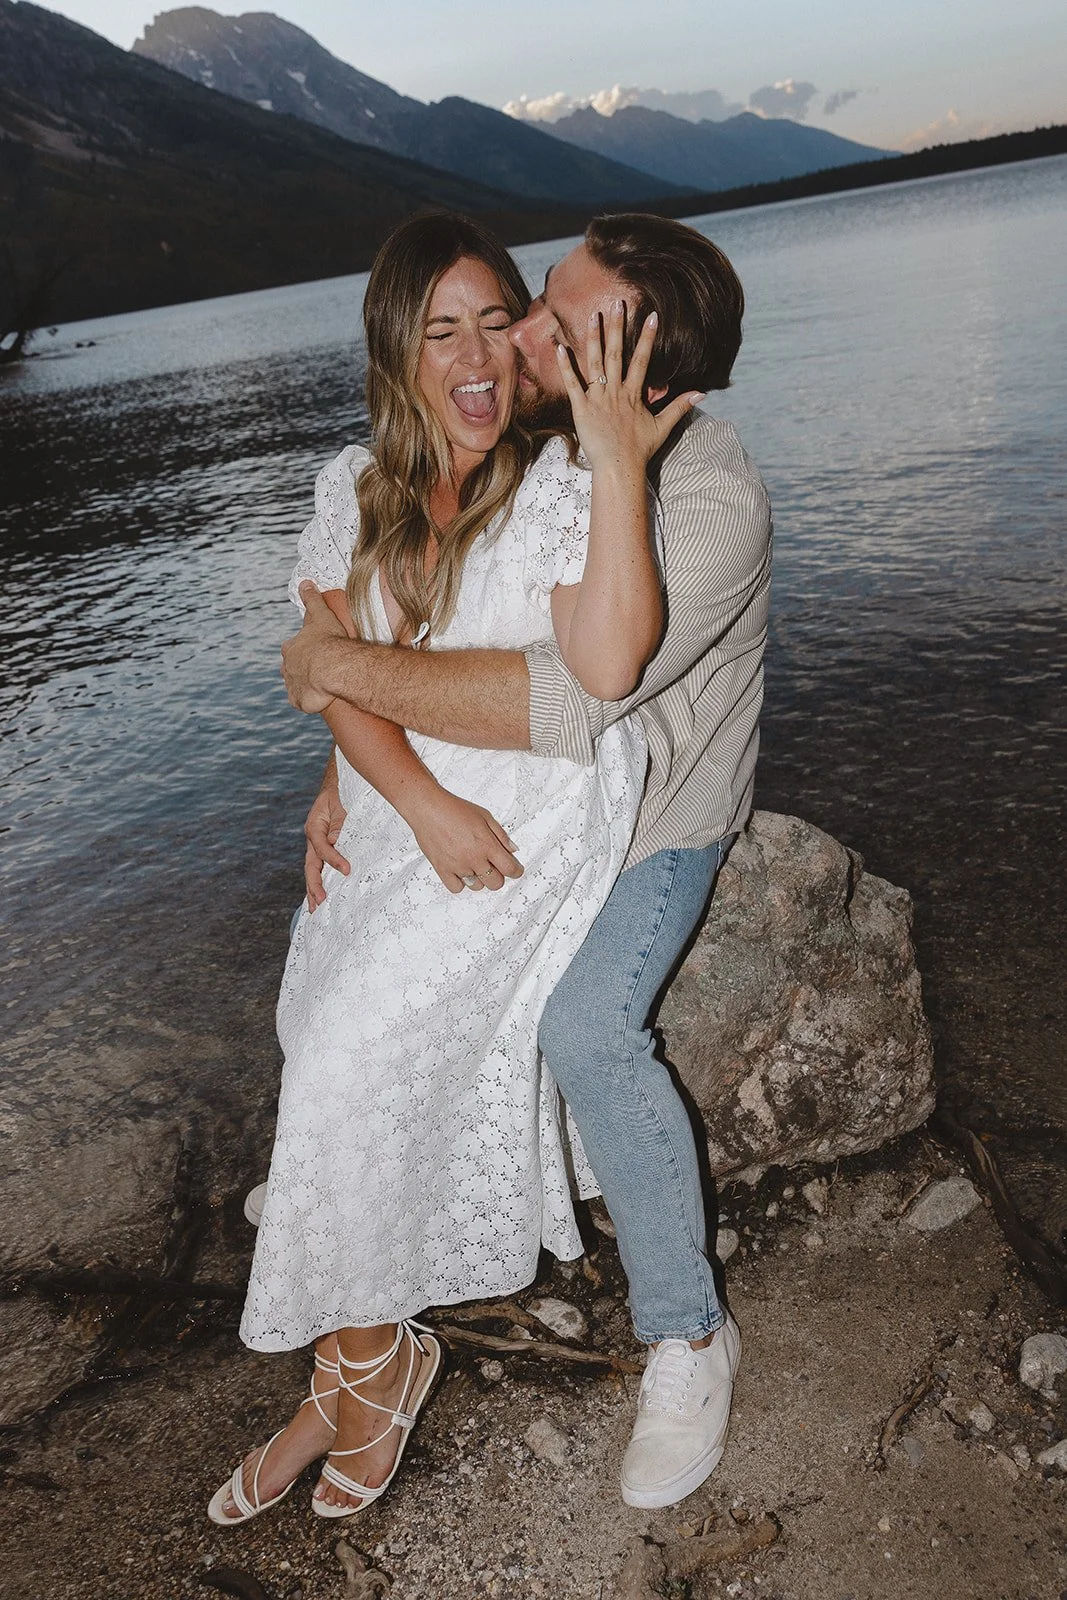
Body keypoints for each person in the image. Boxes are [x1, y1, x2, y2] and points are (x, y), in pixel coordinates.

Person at [209, 213, 699, 1525]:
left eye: (499, 319)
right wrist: (380, 793)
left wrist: (609, 464)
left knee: (347, 1057)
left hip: (531, 810)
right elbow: (330, 669)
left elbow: (605, 668)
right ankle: (362, 1356)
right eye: (444, 330)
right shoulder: (348, 485)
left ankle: (357, 1377)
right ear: (397, 351)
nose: (481, 354)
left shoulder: (550, 490)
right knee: (312, 1027)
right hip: (409, 799)